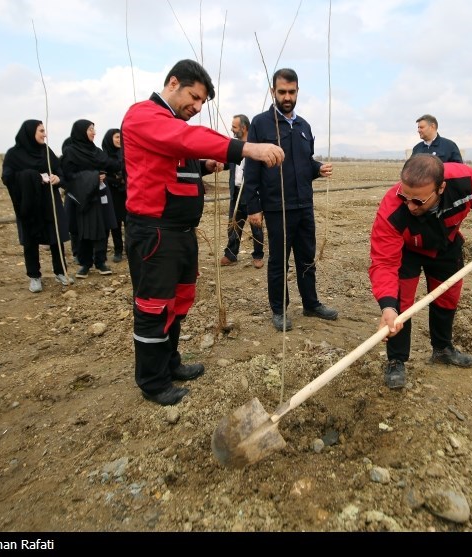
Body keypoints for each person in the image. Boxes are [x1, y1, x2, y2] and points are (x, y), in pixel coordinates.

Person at [121, 59, 284, 406]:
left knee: (179, 301)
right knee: (154, 306)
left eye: (201, 103)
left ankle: (170, 363)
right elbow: (184, 139)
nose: (196, 108)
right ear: (173, 83)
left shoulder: (171, 124)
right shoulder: (144, 115)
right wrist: (247, 148)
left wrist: (204, 166)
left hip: (180, 233)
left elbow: (177, 158)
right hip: (155, 232)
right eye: (193, 98)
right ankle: (152, 381)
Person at [369, 154, 472, 389]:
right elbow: (384, 262)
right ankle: (397, 360)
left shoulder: (466, 181)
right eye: (405, 196)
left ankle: (442, 349)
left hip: (446, 244)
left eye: (418, 201)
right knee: (400, 304)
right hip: (407, 251)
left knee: (447, 298)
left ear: (441, 188)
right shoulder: (393, 208)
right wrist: (388, 307)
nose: (410, 206)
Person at [244, 68, 338, 332]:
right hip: (277, 207)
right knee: (278, 261)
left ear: (298, 92)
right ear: (273, 91)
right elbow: (252, 168)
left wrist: (317, 168)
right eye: (282, 91)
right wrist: (253, 206)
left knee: (306, 257)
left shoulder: (304, 126)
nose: (287, 97)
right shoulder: (261, 124)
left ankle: (311, 304)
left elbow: (304, 164)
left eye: (292, 92)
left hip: (303, 205)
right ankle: (279, 310)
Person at [1, 119, 71, 293]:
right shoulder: (14, 154)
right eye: (41, 131)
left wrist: (57, 178)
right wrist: (32, 177)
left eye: (44, 130)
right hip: (28, 204)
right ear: (30, 133)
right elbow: (7, 178)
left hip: (49, 201)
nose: (44, 134)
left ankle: (61, 272)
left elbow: (60, 170)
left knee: (55, 237)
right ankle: (34, 277)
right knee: (30, 241)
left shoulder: (46, 151)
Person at [61, 119, 122, 278]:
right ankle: (85, 263)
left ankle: (100, 261)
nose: (94, 132)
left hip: (100, 195)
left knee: (102, 228)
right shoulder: (70, 152)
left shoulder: (96, 151)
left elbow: (112, 165)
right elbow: (67, 176)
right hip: (81, 198)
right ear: (81, 131)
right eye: (90, 129)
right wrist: (93, 177)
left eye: (94, 129)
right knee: (83, 230)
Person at [219, 114, 265, 269]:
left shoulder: (256, 147)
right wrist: (219, 164)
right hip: (235, 192)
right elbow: (228, 163)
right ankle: (231, 254)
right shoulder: (234, 146)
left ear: (244, 128)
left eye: (234, 127)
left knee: (256, 225)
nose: (232, 130)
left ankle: (258, 255)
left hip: (251, 193)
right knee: (233, 224)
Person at [102, 128, 127, 263]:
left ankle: (130, 249)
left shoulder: (125, 153)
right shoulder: (103, 156)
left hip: (126, 192)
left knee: (129, 222)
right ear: (109, 139)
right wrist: (117, 179)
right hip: (112, 193)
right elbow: (103, 175)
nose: (119, 140)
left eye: (120, 137)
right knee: (115, 223)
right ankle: (118, 250)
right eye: (117, 137)